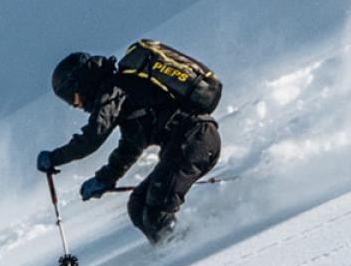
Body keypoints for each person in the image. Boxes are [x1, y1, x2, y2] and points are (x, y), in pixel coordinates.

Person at [37, 47, 221, 245]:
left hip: (194, 140)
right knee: (138, 205)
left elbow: (93, 136)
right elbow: (131, 146)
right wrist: (104, 179)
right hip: (193, 143)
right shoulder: (127, 96)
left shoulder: (114, 89)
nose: (75, 105)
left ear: (81, 83)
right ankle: (170, 250)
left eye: (70, 96)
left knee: (155, 213)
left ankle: (192, 249)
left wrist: (55, 158)